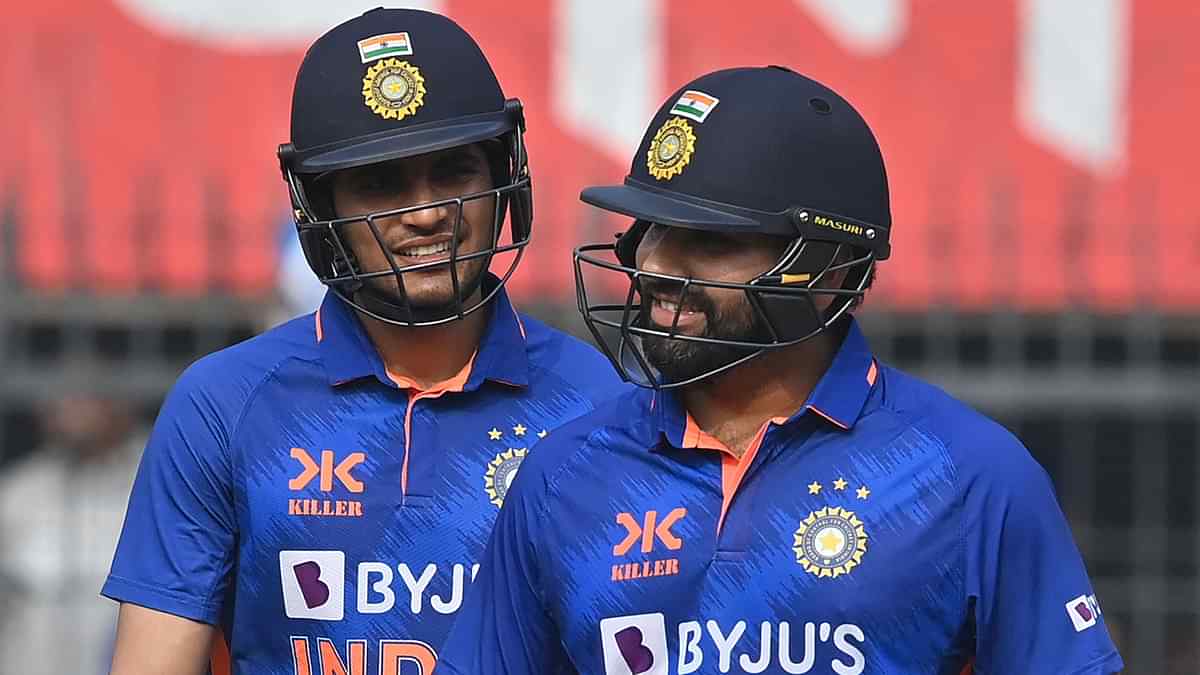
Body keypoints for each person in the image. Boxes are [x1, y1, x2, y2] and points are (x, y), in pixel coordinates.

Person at [440, 67, 1124, 674]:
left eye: (709, 240)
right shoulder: (561, 477)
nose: (652, 266)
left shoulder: (971, 479)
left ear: (829, 270)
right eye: (649, 229)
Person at [102, 8, 627, 674]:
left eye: (455, 170)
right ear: (318, 209)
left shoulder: (597, 405)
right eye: (380, 182)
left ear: (504, 174)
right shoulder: (223, 406)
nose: (427, 212)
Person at [0, 394, 144, 675]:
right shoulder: (16, 492)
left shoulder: (151, 484)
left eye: (87, 395)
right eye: (62, 397)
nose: (74, 409)